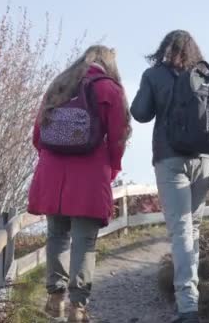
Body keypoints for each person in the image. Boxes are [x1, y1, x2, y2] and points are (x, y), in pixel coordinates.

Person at [131, 30, 209, 323]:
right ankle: (191, 298)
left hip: (171, 158)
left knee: (181, 230)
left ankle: (188, 307)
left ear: (164, 48)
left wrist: (149, 86)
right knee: (193, 228)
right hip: (206, 161)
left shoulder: (155, 75)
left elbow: (139, 113)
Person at [28, 45, 131, 322]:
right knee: (84, 241)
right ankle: (77, 308)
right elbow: (118, 137)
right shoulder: (109, 89)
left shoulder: (59, 85)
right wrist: (113, 168)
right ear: (108, 65)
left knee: (57, 235)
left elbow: (38, 135)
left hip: (52, 173)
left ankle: (54, 300)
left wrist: (53, 160)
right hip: (90, 173)